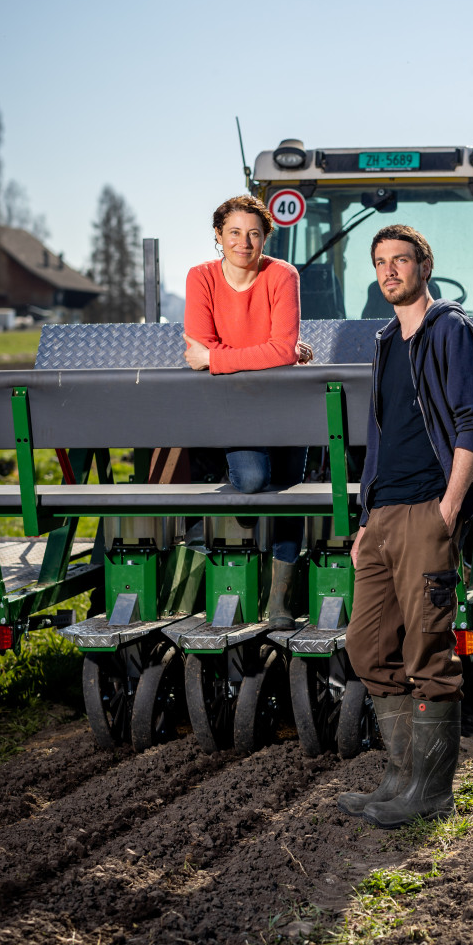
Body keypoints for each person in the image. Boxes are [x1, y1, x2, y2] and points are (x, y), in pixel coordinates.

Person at [338, 224, 473, 829]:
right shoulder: (384, 341)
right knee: (368, 647)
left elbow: (472, 421)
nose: (389, 271)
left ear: (424, 266)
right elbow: (378, 438)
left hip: (427, 510)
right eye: (380, 263)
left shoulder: (451, 329)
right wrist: (364, 521)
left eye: (400, 260)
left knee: (427, 652)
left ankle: (430, 791)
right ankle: (401, 777)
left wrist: (449, 508)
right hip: (382, 515)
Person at [184, 193, 311, 629]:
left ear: (265, 238)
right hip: (234, 405)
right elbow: (200, 344)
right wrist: (276, 352)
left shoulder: (282, 275)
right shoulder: (200, 278)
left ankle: (280, 599)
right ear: (218, 236)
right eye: (235, 232)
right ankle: (231, 504)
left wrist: (221, 359)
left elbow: (275, 348)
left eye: (254, 233)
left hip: (285, 403)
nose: (244, 241)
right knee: (254, 479)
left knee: (292, 492)